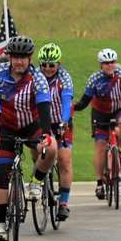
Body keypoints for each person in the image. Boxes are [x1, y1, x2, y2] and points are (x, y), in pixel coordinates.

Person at [0, 36, 57, 240]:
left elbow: (44, 107)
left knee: (51, 147)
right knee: (1, 172)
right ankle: (2, 223)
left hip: (31, 125)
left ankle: (36, 181)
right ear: (9, 57)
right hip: (5, 128)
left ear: (30, 58)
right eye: (15, 57)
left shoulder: (38, 78)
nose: (19, 62)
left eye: (23, 58)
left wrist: (46, 134)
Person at [73, 48, 121, 199]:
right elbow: (84, 102)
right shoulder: (94, 79)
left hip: (119, 109)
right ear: (100, 64)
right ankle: (99, 183)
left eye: (113, 62)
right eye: (106, 63)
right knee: (101, 146)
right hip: (100, 113)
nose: (110, 65)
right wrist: (72, 108)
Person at [37, 43, 74, 220]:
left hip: (61, 123)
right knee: (39, 152)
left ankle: (64, 203)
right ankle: (42, 177)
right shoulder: (34, 77)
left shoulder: (64, 78)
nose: (47, 68)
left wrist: (64, 121)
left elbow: (67, 101)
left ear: (58, 64)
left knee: (65, 160)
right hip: (40, 124)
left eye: (52, 65)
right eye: (44, 64)